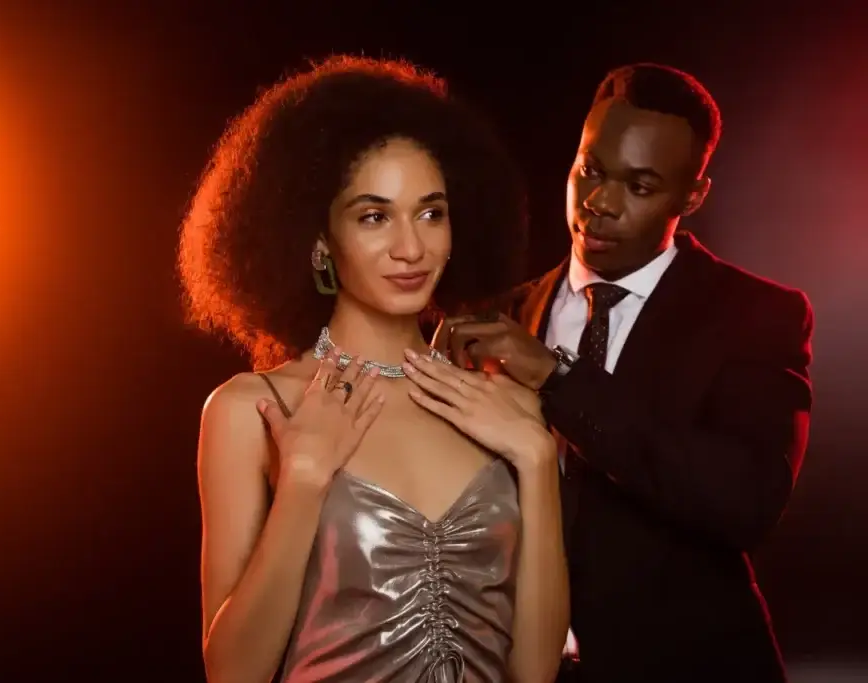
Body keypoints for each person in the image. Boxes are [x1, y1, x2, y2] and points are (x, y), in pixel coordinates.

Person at [181, 56, 569, 683]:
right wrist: (304, 478)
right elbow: (232, 674)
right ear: (318, 240)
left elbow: (534, 672)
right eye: (373, 216)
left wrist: (537, 460)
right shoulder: (253, 409)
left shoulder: (509, 410)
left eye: (430, 212)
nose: (411, 248)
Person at [433, 63, 813, 683]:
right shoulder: (490, 318)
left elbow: (748, 503)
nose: (600, 203)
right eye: (591, 170)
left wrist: (556, 380)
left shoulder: (760, 315)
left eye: (640, 186)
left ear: (692, 196)